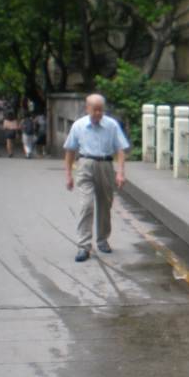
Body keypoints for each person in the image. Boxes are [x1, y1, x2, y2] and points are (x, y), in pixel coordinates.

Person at [63, 93, 129, 263]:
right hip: (85, 164)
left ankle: (102, 240)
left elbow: (120, 149)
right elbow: (70, 150)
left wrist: (121, 172)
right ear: (88, 109)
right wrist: (68, 175)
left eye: (101, 110)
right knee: (86, 205)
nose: (99, 113)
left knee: (105, 205)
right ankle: (83, 246)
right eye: (95, 110)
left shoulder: (112, 125)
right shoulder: (78, 126)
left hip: (106, 165)